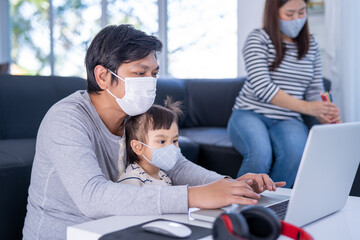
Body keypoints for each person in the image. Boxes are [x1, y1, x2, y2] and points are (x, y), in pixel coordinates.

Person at [22, 24, 285, 240]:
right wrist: (193, 196)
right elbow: (92, 196)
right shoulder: (66, 118)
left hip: (120, 228)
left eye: (154, 74)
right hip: (67, 233)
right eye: (140, 73)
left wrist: (228, 185)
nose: (150, 83)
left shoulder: (137, 115)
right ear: (102, 76)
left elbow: (177, 166)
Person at [227, 0, 341, 188]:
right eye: (289, 14)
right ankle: (239, 211)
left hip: (288, 119)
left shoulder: (310, 44)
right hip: (250, 114)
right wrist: (309, 107)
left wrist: (324, 113)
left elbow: (314, 89)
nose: (296, 18)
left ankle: (273, 211)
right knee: (260, 154)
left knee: (296, 155)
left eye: (301, 12)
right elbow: (263, 87)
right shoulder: (258, 39)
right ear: (274, 13)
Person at [117, 98, 182, 186]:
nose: (171, 147)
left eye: (174, 141)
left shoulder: (165, 178)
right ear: (138, 147)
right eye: (162, 141)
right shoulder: (132, 179)